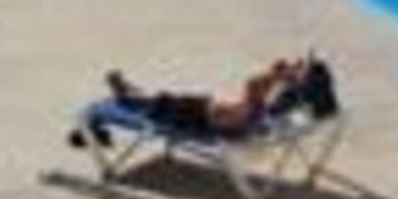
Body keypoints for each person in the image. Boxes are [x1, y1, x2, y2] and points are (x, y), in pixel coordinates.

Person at [74, 55, 337, 145]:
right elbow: (259, 93)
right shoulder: (292, 108)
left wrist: (280, 75)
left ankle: (123, 94)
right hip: (206, 114)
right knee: (156, 101)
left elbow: (252, 85)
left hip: (198, 116)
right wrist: (283, 75)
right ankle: (126, 93)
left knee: (157, 102)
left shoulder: (249, 117)